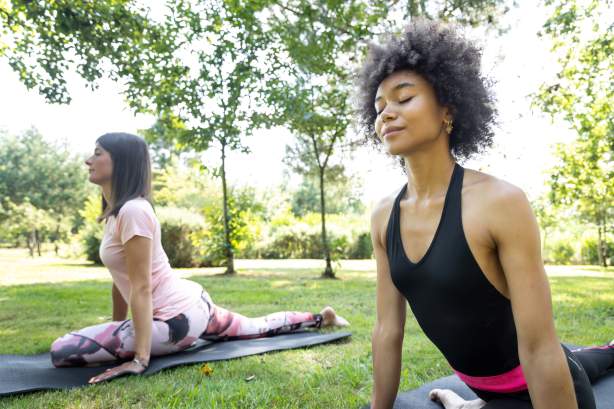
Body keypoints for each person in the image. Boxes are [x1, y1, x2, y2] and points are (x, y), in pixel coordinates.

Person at [358, 19, 613, 409]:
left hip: (545, 387)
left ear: (448, 108)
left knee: (577, 360)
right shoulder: (383, 216)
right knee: (585, 357)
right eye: (379, 107)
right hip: (486, 389)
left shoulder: (500, 202)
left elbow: (542, 349)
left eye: (404, 98)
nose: (386, 114)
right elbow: (387, 331)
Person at [50, 132, 349, 384]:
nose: (88, 160)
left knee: (62, 350)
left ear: (120, 161)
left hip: (175, 320)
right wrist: (116, 327)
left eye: (97, 153)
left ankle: (320, 318)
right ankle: (322, 317)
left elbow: (140, 288)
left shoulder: (133, 212)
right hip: (191, 306)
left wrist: (139, 359)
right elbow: (121, 280)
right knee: (255, 327)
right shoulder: (118, 215)